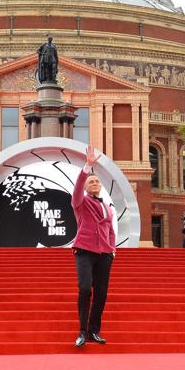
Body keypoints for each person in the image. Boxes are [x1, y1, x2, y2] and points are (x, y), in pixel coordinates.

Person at [71, 144, 116, 347]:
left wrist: (112, 249)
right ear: (86, 187)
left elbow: (111, 230)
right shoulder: (80, 202)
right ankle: (82, 331)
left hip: (104, 254)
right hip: (84, 251)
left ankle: (93, 331)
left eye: (97, 181)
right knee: (84, 288)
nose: (95, 183)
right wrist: (87, 168)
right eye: (91, 181)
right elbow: (78, 188)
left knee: (101, 293)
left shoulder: (107, 206)